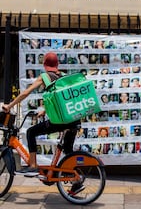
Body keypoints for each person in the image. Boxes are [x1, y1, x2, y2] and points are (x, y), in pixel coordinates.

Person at [2, 52, 84, 194]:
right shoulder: (64, 77)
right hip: (74, 120)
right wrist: (45, 110)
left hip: (61, 122)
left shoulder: (45, 77)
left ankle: (33, 165)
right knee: (68, 151)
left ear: (45, 65)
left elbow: (26, 93)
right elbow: (60, 98)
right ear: (57, 64)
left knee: (31, 132)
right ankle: (77, 180)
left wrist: (9, 106)